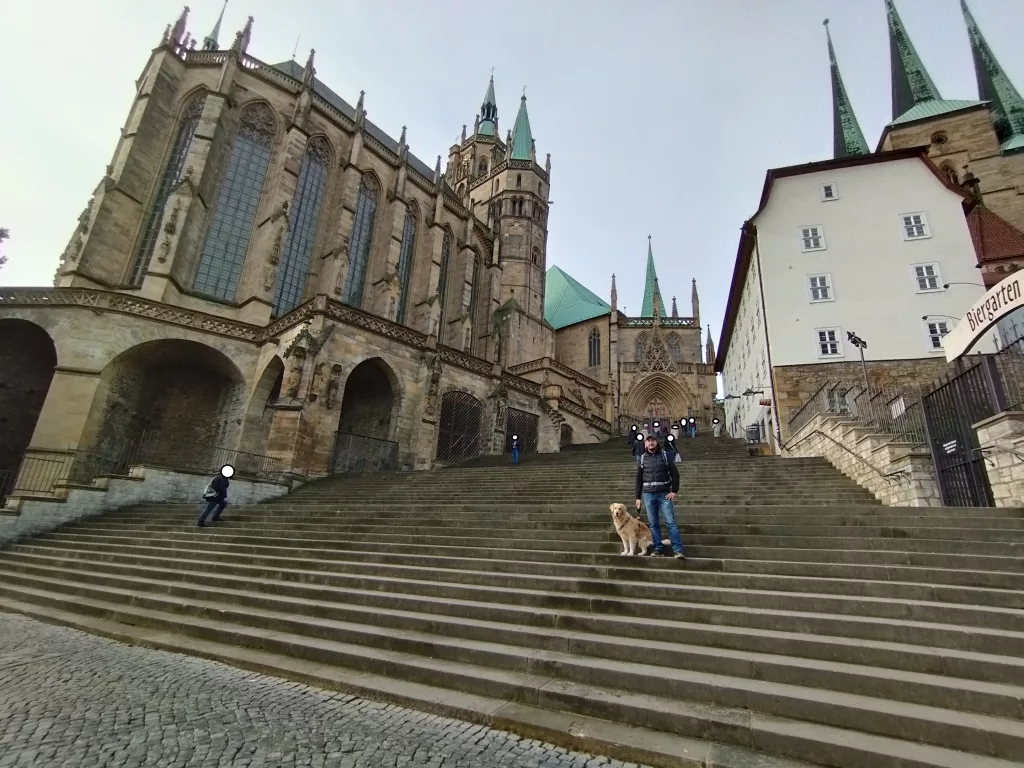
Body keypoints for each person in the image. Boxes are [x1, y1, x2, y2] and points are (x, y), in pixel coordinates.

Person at [635, 435, 685, 559]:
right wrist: (638, 497)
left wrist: (674, 491)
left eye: (652, 441)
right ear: (645, 444)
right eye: (648, 441)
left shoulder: (665, 456)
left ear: (656, 442)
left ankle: (678, 550)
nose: (650, 443)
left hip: (664, 494)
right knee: (653, 524)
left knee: (670, 522)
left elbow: (675, 474)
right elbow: (639, 479)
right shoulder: (642, 458)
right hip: (648, 494)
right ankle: (658, 548)